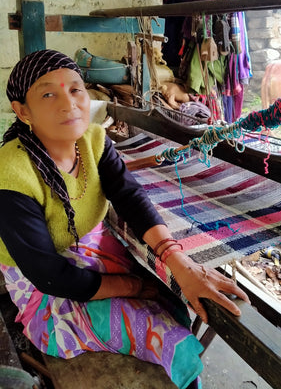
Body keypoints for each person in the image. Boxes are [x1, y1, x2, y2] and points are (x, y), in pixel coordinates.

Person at [0, 50, 250, 389]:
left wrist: (180, 263)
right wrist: (132, 286)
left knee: (170, 296)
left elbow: (130, 197)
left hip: (89, 251)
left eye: (76, 89)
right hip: (45, 287)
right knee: (158, 330)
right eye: (49, 93)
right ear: (22, 111)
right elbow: (50, 276)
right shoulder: (10, 173)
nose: (69, 103)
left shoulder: (93, 141)